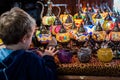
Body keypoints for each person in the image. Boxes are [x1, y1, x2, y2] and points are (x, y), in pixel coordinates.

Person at [0, 7, 58, 80]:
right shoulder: (30, 59)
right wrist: (48, 58)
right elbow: (50, 77)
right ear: (24, 38)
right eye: (31, 35)